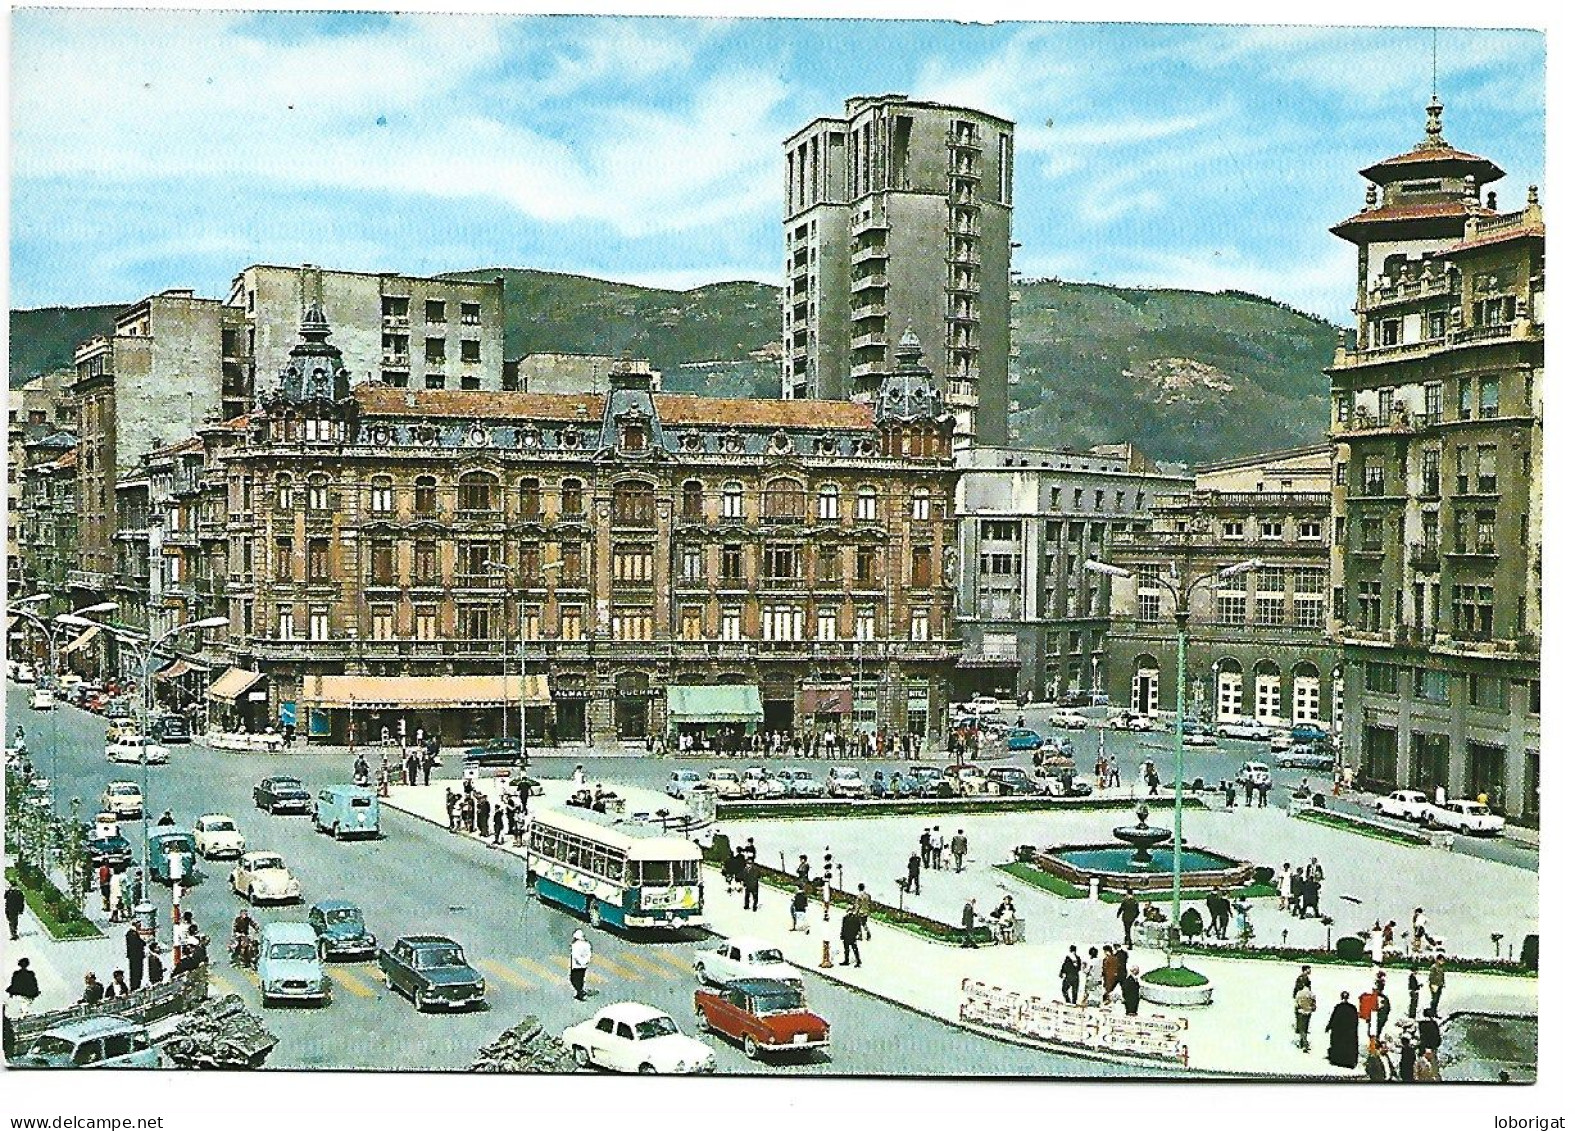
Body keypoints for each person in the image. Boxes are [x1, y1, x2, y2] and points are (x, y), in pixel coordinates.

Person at [1325, 990, 1360, 1067]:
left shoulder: (1338, 1007)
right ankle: (1349, 1061)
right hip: (1349, 1032)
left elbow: (1333, 1019)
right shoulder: (1352, 1008)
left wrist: (1329, 1027)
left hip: (1339, 1031)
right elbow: (1356, 1021)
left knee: (1338, 1044)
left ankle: (1336, 1059)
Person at [569, 930, 592, 1000]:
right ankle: (580, 992)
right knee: (581, 979)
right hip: (584, 966)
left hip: (576, 966)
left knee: (573, 979)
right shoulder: (587, 944)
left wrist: (580, 962)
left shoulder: (575, 945)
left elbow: (575, 956)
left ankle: (580, 992)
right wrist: (585, 962)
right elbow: (589, 954)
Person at [126, 925, 146, 991]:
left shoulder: (132, 933)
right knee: (136, 973)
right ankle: (135, 987)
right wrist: (143, 941)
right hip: (136, 957)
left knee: (137, 972)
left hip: (135, 957)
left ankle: (136, 986)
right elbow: (139, 943)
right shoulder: (132, 933)